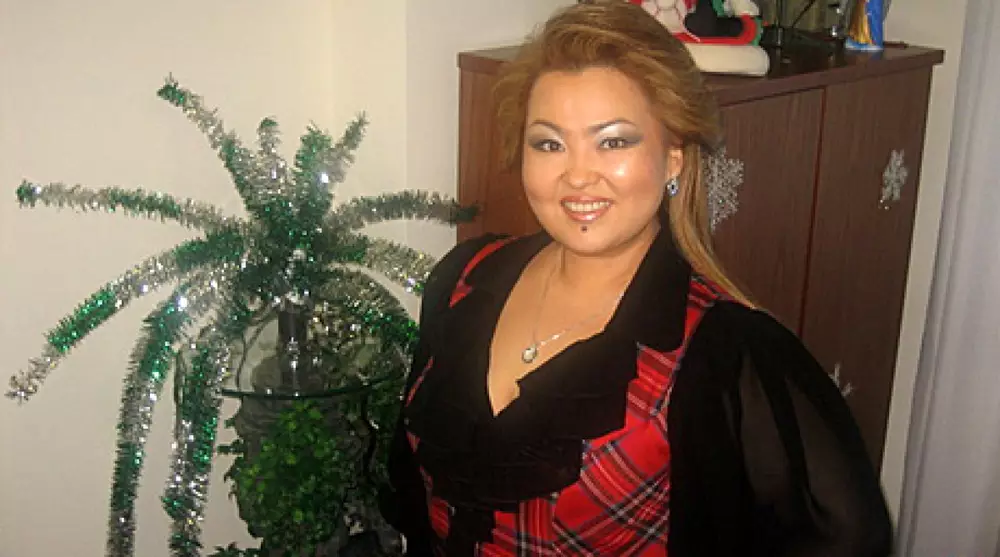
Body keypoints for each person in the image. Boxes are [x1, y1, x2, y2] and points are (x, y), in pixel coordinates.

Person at [378, 1, 893, 555]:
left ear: (673, 157)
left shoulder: (724, 354)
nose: (577, 175)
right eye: (549, 143)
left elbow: (849, 535)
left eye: (614, 141)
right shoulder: (464, 279)